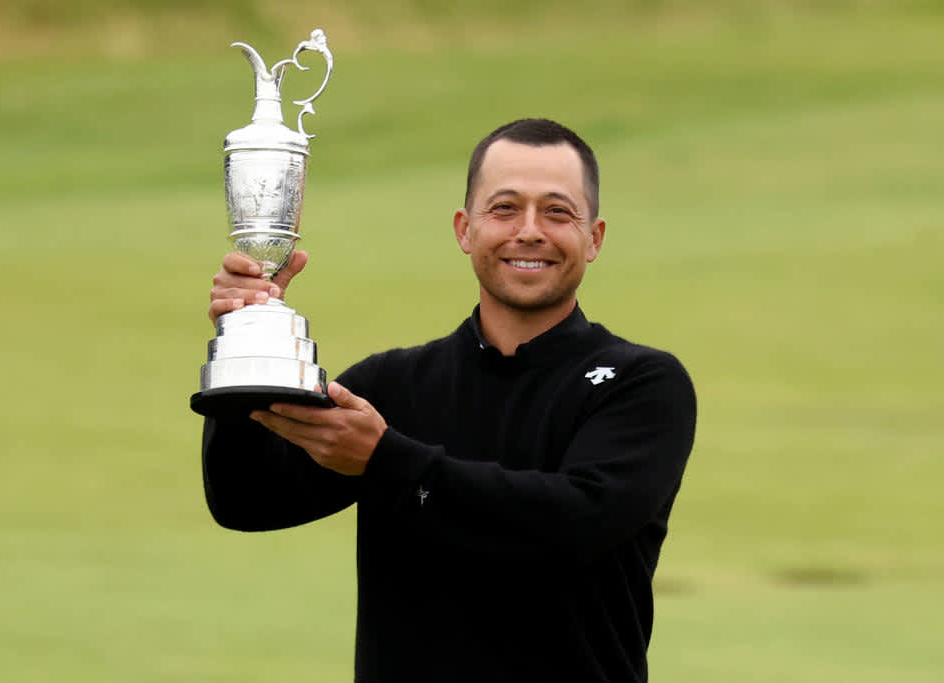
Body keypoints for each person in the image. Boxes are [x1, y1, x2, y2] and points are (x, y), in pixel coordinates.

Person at [202, 118, 697, 682]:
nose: (529, 231)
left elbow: (578, 523)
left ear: (595, 237)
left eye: (558, 212)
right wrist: (241, 343)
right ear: (465, 229)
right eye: (504, 208)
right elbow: (245, 501)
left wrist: (385, 461)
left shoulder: (642, 383)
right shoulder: (392, 386)